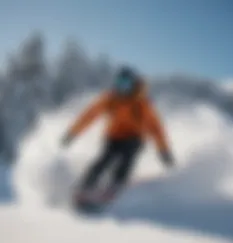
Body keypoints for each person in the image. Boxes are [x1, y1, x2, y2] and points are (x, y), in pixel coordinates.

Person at [61, 66, 175, 199]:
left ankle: (115, 187)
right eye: (119, 83)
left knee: (126, 159)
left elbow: (156, 128)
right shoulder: (110, 99)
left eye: (126, 84)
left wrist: (163, 150)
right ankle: (86, 186)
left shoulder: (141, 103)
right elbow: (89, 115)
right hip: (113, 136)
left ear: (133, 84)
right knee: (104, 159)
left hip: (134, 138)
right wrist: (73, 133)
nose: (122, 88)